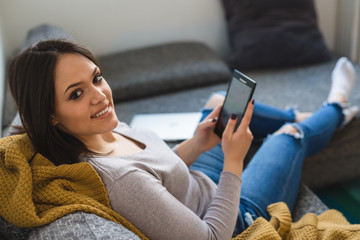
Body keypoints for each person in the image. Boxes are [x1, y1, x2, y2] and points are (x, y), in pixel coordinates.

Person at [7, 40, 358, 239]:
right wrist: (234, 161)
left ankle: (303, 114)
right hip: (233, 215)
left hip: (196, 179)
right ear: (50, 115)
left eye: (97, 78)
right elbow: (211, 237)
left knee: (218, 105)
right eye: (76, 94)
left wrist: (197, 144)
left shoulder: (100, 129)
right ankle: (336, 107)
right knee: (287, 138)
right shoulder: (120, 181)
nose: (100, 96)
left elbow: (156, 170)